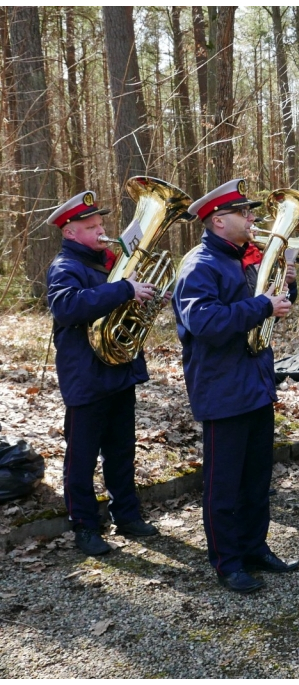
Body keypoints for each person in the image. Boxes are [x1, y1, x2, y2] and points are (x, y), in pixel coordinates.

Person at [172, 179, 299, 593]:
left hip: (255, 384)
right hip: (223, 389)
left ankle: (254, 547)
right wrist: (263, 305)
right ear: (219, 221)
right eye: (244, 213)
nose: (252, 219)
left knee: (256, 478)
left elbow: (262, 305)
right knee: (224, 484)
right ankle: (227, 562)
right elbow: (203, 322)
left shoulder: (244, 260)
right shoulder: (199, 265)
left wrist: (287, 286)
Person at [45, 191, 159, 556]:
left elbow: (119, 304)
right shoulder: (65, 267)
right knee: (82, 457)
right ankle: (85, 526)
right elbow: (67, 308)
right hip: (87, 377)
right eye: (91, 227)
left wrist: (146, 295)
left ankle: (126, 515)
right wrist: (124, 287)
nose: (101, 231)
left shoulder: (110, 263)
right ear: (70, 233)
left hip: (118, 371)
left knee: (121, 450)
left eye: (101, 225)